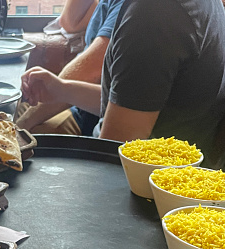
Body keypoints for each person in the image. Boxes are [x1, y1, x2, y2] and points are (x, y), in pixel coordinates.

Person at [21, 0, 225, 166]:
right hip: (167, 171)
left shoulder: (153, 14)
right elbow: (136, 102)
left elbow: (113, 156)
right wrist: (64, 90)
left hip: (150, 185)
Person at [16, 0, 124, 136]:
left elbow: (92, 71)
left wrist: (22, 125)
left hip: (87, 117)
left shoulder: (126, 6)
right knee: (10, 109)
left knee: (21, 129)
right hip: (75, 105)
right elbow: (69, 23)